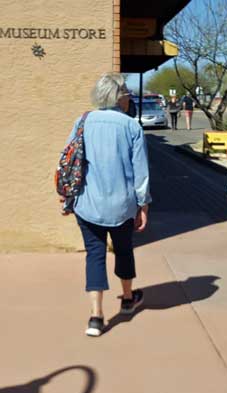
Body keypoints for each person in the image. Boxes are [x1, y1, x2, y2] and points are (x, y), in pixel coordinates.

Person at [63, 73, 152, 337]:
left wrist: (68, 192)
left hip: (87, 202)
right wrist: (143, 205)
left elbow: (69, 157)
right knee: (124, 250)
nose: (127, 99)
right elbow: (141, 171)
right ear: (119, 97)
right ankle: (127, 299)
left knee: (95, 254)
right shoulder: (130, 126)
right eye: (125, 94)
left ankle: (96, 316)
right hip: (122, 205)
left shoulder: (83, 121)